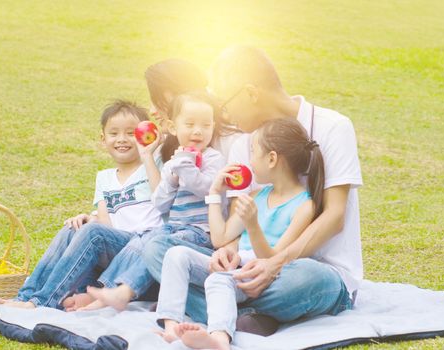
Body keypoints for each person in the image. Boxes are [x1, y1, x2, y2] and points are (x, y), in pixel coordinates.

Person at [142, 45, 363, 336]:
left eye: (225, 104)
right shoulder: (242, 145)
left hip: (307, 270)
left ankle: (218, 309)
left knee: (308, 278)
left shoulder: (333, 127)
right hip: (248, 268)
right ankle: (248, 315)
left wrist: (275, 263)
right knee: (158, 250)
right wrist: (229, 253)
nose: (224, 114)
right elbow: (237, 221)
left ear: (250, 93)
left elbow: (334, 216)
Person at [155, 118, 325, 349]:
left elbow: (272, 260)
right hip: (235, 269)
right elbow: (220, 238)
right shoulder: (257, 196)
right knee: (176, 255)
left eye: (254, 152)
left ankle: (219, 339)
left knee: (218, 281)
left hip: (259, 276)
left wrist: (253, 226)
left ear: (272, 159)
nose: (250, 161)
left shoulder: (305, 206)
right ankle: (171, 326)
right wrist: (215, 192)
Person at [0, 100, 164, 309]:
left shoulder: (153, 165)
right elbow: (106, 224)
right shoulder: (104, 178)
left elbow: (162, 196)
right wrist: (90, 219)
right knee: (72, 229)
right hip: (115, 246)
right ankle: (24, 296)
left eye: (130, 133)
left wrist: (151, 151)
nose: (122, 140)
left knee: (92, 232)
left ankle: (41, 301)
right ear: (103, 139)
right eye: (114, 133)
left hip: (141, 249)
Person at [78, 91, 227, 311]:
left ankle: (123, 292)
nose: (198, 131)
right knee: (144, 239)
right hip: (174, 227)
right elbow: (160, 203)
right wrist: (172, 179)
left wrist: (184, 166)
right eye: (190, 124)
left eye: (206, 125)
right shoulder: (174, 162)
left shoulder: (214, 158)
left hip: (200, 232)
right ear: (174, 128)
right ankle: (109, 291)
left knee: (155, 244)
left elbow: (206, 189)